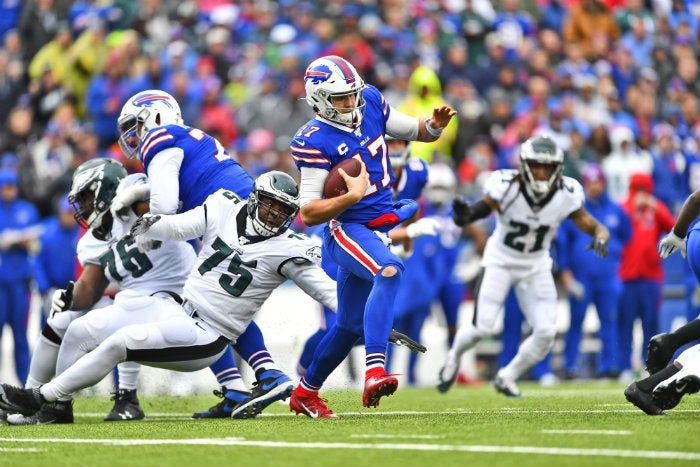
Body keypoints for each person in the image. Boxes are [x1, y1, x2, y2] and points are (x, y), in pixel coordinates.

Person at [0, 171, 339, 422]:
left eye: (282, 212)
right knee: (91, 330)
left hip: (209, 334)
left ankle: (41, 396)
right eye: (268, 206)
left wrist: (365, 316)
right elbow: (180, 225)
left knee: (123, 340)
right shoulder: (222, 206)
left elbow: (325, 290)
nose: (273, 216)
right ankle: (53, 402)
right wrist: (150, 226)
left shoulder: (289, 248)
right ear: (253, 200)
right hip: (179, 312)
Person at [288, 55, 456, 418]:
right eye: (341, 98)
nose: (350, 104)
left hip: (377, 228)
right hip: (347, 229)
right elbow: (308, 211)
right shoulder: (312, 140)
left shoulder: (373, 102)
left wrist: (436, 126)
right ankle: (375, 370)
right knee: (390, 270)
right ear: (318, 99)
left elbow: (418, 132)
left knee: (347, 326)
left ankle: (305, 392)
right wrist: (350, 196)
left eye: (353, 94)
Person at [115, 89, 291, 418]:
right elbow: (175, 186)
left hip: (232, 218)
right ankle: (242, 386)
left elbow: (165, 205)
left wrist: (145, 231)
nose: (135, 136)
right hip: (244, 211)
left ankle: (265, 375)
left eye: (136, 126)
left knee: (207, 306)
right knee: (209, 308)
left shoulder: (159, 137)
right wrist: (133, 194)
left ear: (154, 117)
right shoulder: (185, 139)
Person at [5, 158, 198, 425]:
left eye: (86, 197)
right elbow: (90, 289)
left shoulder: (134, 204)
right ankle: (29, 400)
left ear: (106, 189)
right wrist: (70, 298)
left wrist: (140, 192)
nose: (82, 207)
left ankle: (56, 405)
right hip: (136, 297)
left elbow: (173, 194)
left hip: (175, 297)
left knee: (85, 328)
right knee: (62, 321)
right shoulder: (92, 241)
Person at [437, 135, 610, 397]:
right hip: (500, 261)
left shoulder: (568, 192)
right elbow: (483, 208)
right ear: (524, 165)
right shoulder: (506, 184)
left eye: (547, 167)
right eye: (536, 165)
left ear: (557, 169)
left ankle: (508, 376)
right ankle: (453, 357)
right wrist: (466, 215)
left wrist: (600, 236)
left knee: (546, 332)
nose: (541, 173)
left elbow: (591, 223)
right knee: (480, 328)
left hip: (536, 265)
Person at [555, 163, 631, 379]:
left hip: (608, 277)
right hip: (582, 276)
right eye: (590, 182)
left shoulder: (616, 210)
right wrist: (566, 274)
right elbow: (563, 243)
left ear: (603, 183)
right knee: (576, 322)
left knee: (609, 322)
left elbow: (626, 237)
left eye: (597, 182)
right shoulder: (577, 210)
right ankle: (570, 367)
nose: (594, 186)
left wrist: (615, 262)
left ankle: (610, 367)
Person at [616, 172, 675, 383]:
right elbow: (616, 228)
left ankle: (647, 365)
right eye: (637, 189)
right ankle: (624, 365)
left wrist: (656, 207)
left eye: (644, 189)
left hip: (651, 276)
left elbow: (674, 227)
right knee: (625, 324)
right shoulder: (624, 207)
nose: (641, 194)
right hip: (627, 275)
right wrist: (632, 207)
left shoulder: (656, 208)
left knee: (650, 323)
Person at [0, 168, 41, 386]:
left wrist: (25, 241)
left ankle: (26, 384)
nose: (9, 191)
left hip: (19, 283)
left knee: (20, 335)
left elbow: (36, 245)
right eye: (5, 187)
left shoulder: (27, 210)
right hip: (0, 283)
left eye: (12, 186)